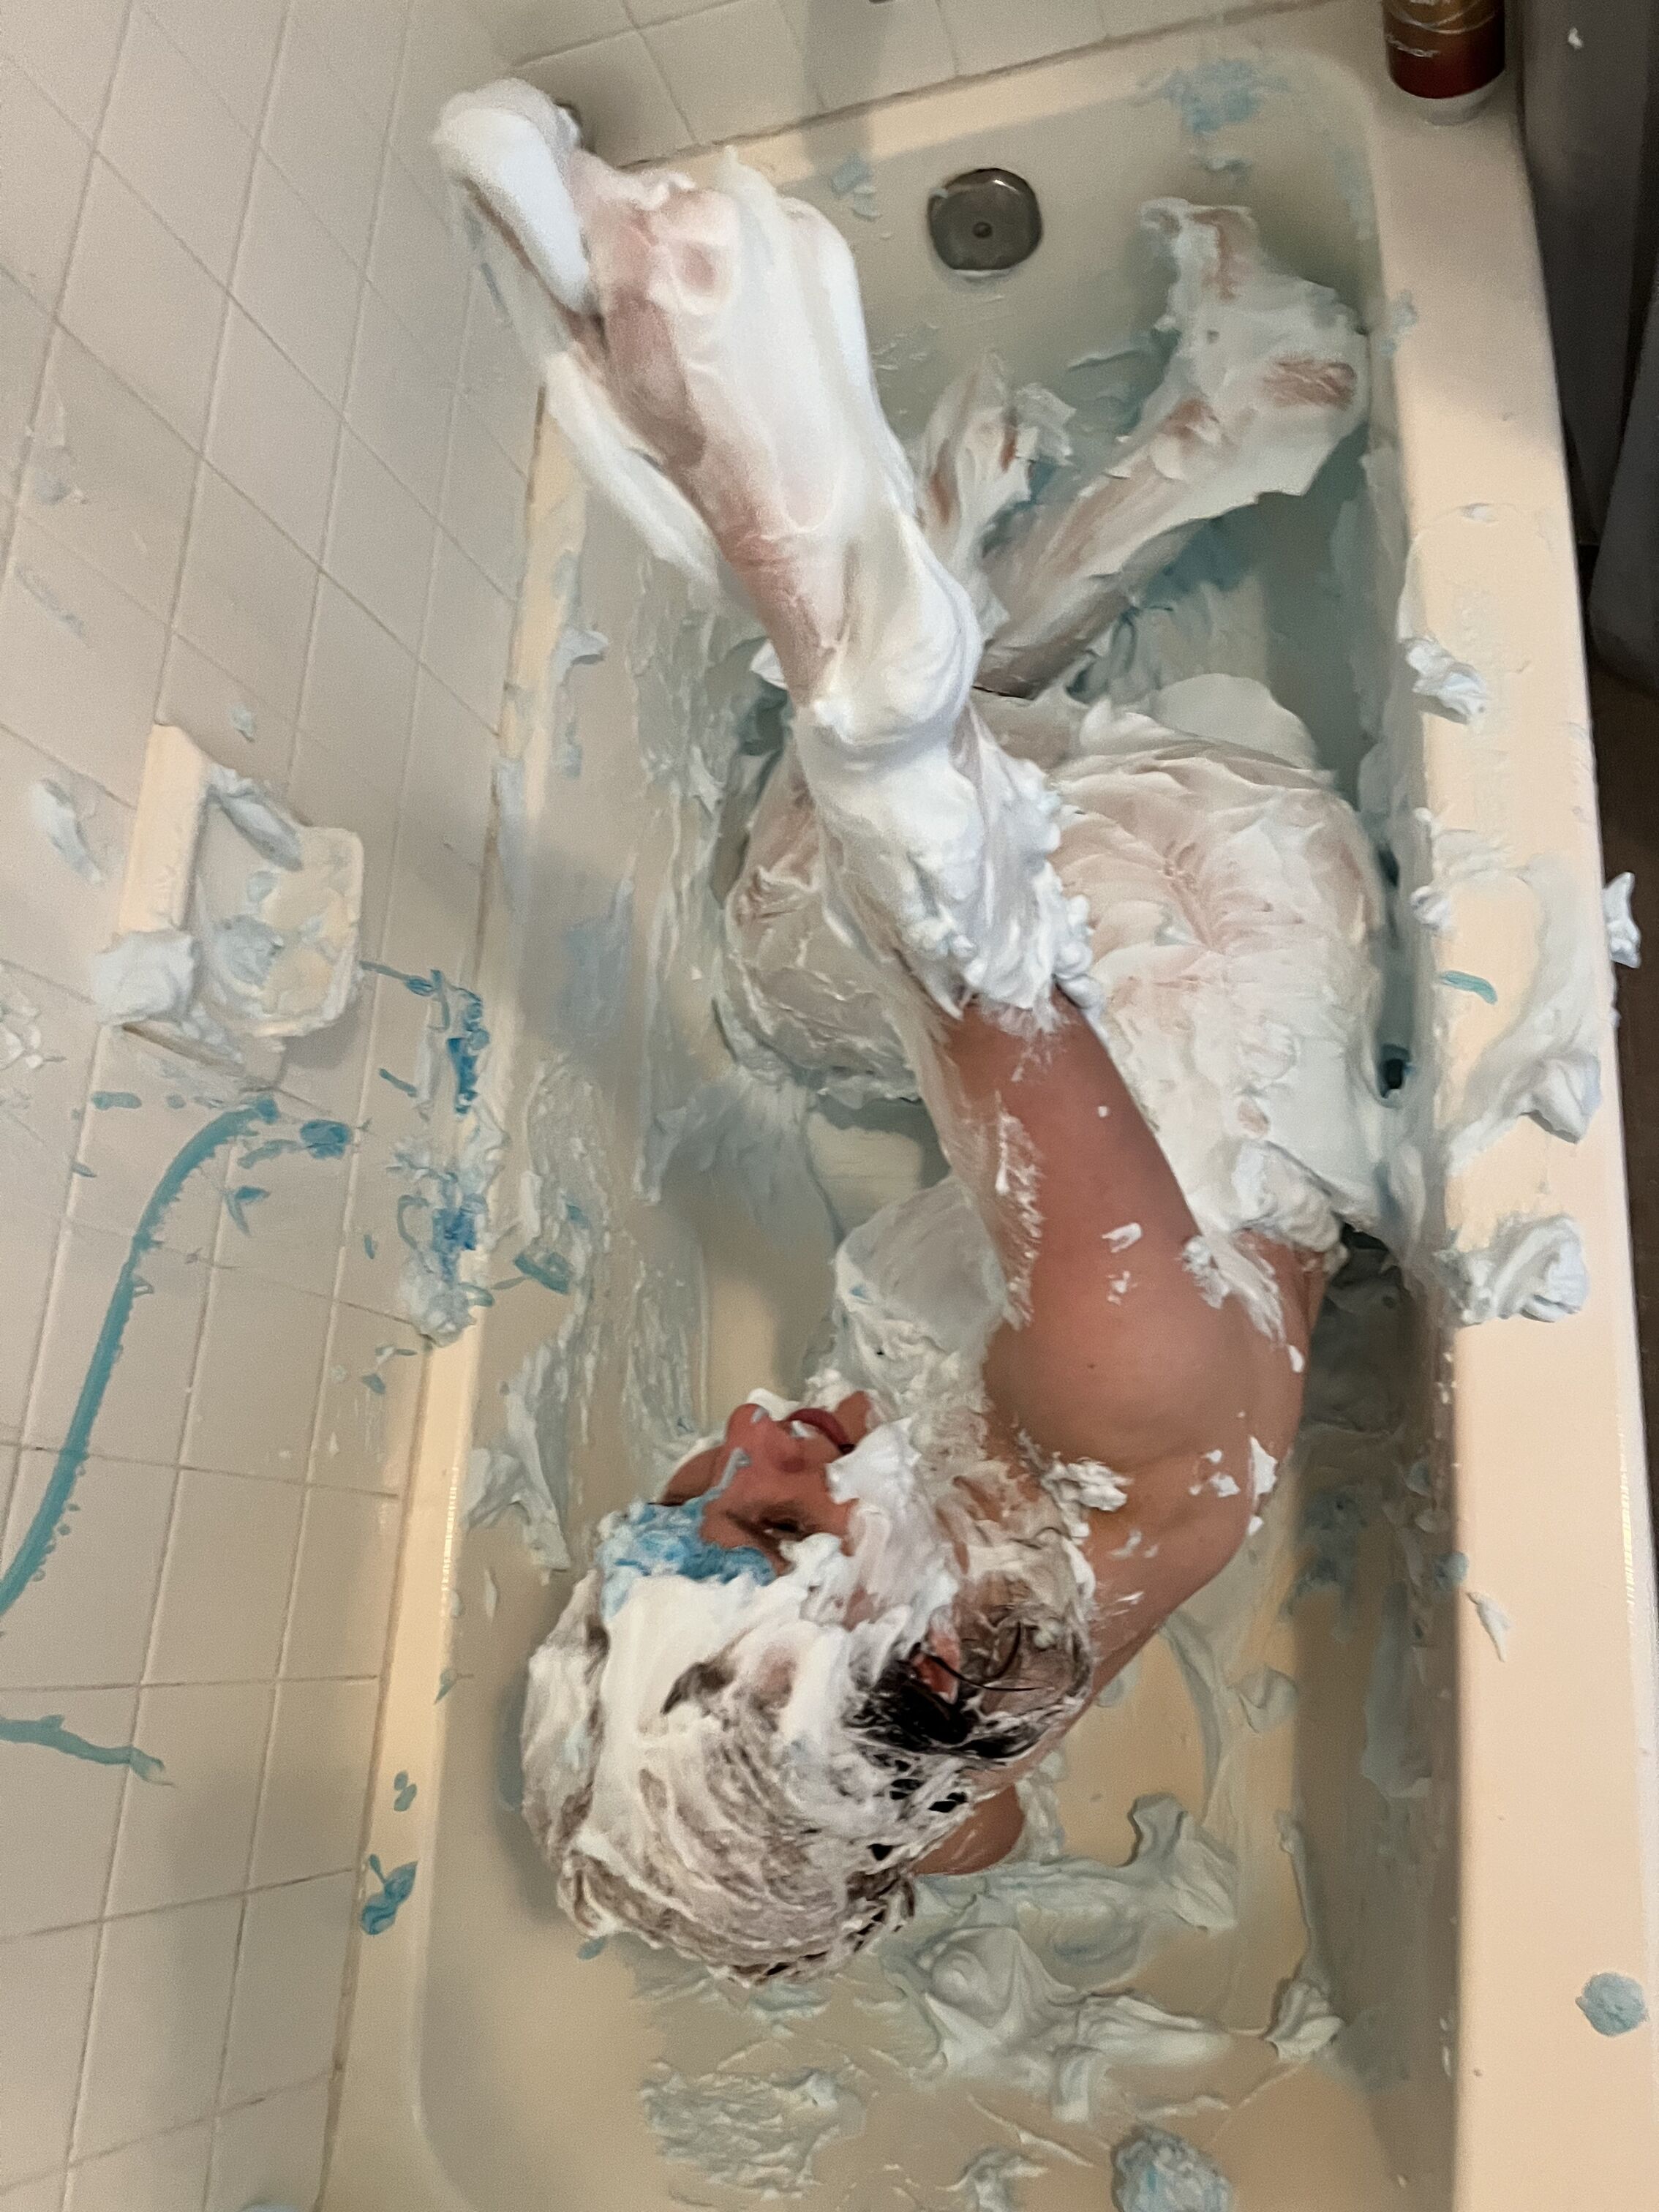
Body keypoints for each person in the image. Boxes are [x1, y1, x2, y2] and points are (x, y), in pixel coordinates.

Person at [434, 83, 1388, 1981]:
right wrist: (825, 619)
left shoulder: (952, 1753)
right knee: (790, 900)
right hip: (1214, 897)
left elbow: (939, 1831)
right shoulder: (1111, 1409)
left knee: (780, 953)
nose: (747, 1434)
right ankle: (1215, 439)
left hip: (1156, 1046)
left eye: (683, 1506)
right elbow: (972, 940)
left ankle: (1103, 509)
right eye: (773, 1526)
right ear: (922, 1667)